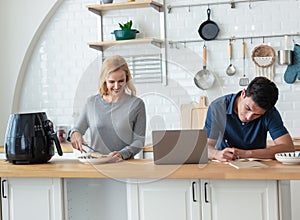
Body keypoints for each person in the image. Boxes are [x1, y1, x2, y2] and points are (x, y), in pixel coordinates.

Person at [68, 55, 146, 160]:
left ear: (127, 78)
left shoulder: (137, 104)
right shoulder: (91, 103)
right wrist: (75, 133)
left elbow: (139, 141)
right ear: (104, 79)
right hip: (95, 164)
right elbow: (77, 129)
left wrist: (122, 154)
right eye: (112, 82)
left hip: (124, 165)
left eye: (121, 81)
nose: (117, 86)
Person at [204, 76, 294, 162]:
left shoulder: (270, 112)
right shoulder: (218, 107)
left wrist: (247, 154)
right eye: (247, 108)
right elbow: (204, 147)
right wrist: (216, 154)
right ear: (243, 93)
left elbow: (287, 148)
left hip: (258, 166)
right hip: (225, 164)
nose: (248, 117)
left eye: (257, 114)